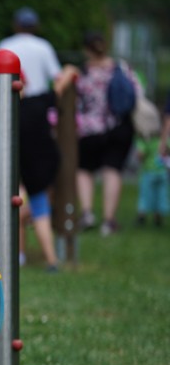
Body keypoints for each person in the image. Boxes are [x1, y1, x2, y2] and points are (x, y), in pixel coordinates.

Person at [0, 7, 73, 271]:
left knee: (13, 199)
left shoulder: (5, 114)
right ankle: (50, 258)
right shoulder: (43, 51)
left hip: (18, 154)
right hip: (42, 156)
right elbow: (58, 82)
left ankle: (18, 254)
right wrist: (71, 72)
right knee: (37, 204)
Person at [68, 31, 140, 236]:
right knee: (112, 170)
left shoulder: (82, 72)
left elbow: (74, 101)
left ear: (86, 49)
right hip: (118, 127)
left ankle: (88, 213)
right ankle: (109, 221)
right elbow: (136, 94)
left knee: (84, 170)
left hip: (89, 130)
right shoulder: (121, 68)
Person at [134, 99, 168, 227]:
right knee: (160, 195)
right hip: (162, 172)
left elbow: (140, 154)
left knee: (145, 194)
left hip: (148, 172)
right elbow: (167, 150)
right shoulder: (162, 139)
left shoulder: (145, 139)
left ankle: (142, 215)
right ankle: (157, 216)